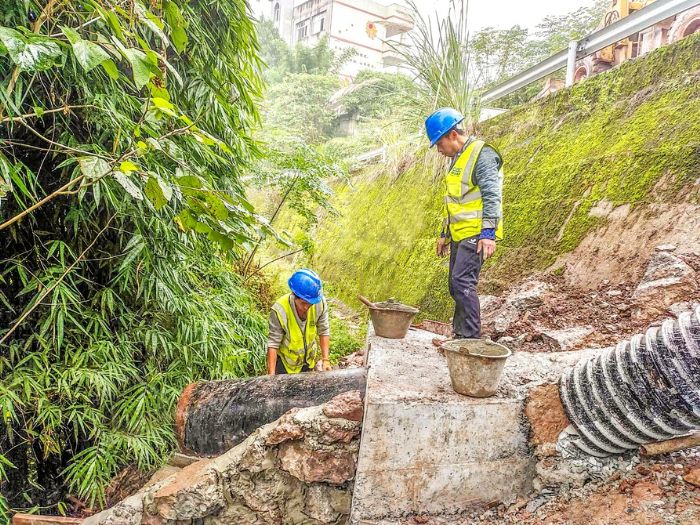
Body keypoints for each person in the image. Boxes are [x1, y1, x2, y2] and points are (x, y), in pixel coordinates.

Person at [424, 107, 504, 344]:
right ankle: (460, 335)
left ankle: (469, 339)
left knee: (463, 282)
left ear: (451, 135)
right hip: (460, 233)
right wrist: (444, 234)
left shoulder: (482, 154)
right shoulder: (456, 160)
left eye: (439, 143)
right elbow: (454, 201)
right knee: (454, 284)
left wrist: (488, 233)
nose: (439, 150)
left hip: (478, 232)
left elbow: (492, 194)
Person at [267, 269, 332, 375]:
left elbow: (323, 330)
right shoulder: (279, 310)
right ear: (294, 296)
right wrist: (271, 376)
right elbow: (273, 344)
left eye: (310, 303)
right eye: (303, 303)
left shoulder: (319, 304)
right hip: (286, 365)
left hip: (308, 363)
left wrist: (325, 360)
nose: (307, 307)